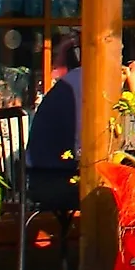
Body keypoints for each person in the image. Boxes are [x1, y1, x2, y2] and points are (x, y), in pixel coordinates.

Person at [23, 34, 84, 216]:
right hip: (55, 181)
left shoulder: (72, 81)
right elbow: (87, 148)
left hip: (41, 178)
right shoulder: (86, 84)